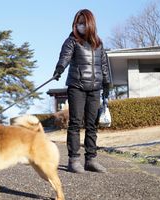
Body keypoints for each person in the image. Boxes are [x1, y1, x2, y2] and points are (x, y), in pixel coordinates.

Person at [52, 9, 110, 173]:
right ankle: (74, 160)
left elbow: (104, 65)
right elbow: (65, 56)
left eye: (84, 22)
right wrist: (59, 69)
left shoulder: (98, 43)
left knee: (92, 124)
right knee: (75, 123)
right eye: (79, 23)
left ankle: (91, 160)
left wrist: (107, 85)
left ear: (90, 24)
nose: (81, 25)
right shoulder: (72, 40)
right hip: (77, 86)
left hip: (95, 88)